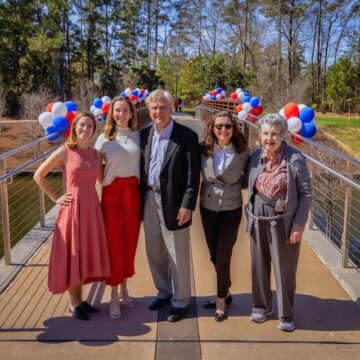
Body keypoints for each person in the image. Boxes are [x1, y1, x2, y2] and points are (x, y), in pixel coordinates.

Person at [33, 111, 110, 321]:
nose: (85, 129)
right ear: (74, 127)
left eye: (89, 126)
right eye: (81, 125)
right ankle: (74, 303)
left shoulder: (96, 154)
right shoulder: (65, 151)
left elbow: (103, 180)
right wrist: (55, 198)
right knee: (73, 254)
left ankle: (81, 300)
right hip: (72, 209)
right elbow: (38, 175)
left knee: (83, 253)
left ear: (94, 131)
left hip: (91, 208)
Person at [245, 113, 312, 332]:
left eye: (274, 133)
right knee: (258, 265)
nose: (269, 138)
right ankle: (261, 306)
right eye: (265, 133)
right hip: (258, 217)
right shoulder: (255, 157)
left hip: (284, 220)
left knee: (285, 269)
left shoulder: (295, 159)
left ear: (283, 135)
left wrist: (299, 224)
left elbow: (306, 194)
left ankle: (286, 314)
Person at [140, 89, 200, 322]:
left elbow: (193, 176)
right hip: (148, 199)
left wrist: (188, 205)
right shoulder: (144, 134)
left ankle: (181, 300)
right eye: (154, 108)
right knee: (154, 249)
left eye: (162, 107)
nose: (158, 112)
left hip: (175, 202)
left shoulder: (186, 136)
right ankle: (164, 291)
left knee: (177, 253)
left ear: (171, 107)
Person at [200, 111, 249, 321]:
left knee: (223, 257)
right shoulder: (203, 149)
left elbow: (250, 177)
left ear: (234, 128)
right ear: (212, 127)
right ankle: (226, 291)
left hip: (231, 208)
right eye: (219, 126)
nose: (223, 130)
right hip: (207, 207)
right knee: (214, 254)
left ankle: (220, 300)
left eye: (227, 126)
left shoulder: (244, 151)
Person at [95, 96, 141, 319]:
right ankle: (113, 294)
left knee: (129, 242)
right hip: (112, 193)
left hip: (132, 192)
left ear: (131, 113)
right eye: (117, 111)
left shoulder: (137, 136)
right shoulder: (103, 139)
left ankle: (124, 287)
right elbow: (94, 166)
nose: (121, 114)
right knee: (114, 244)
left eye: (125, 111)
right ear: (111, 114)